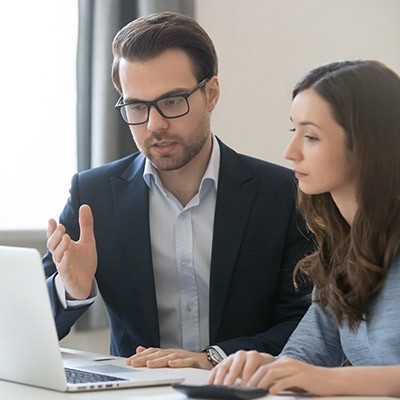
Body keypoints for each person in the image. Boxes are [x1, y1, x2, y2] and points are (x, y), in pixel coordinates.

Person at [44, 11, 312, 370]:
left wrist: (212, 358)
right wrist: (70, 290)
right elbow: (28, 324)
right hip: (136, 394)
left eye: (172, 102)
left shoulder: (282, 194)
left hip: (244, 390)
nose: (155, 125)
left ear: (211, 93)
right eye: (137, 106)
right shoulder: (92, 196)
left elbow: (306, 324)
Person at [209, 59, 400, 396]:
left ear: (369, 144)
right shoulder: (342, 250)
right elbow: (309, 355)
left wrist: (332, 381)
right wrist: (266, 366)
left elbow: (322, 376)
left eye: (310, 136)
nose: (290, 152)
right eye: (293, 131)